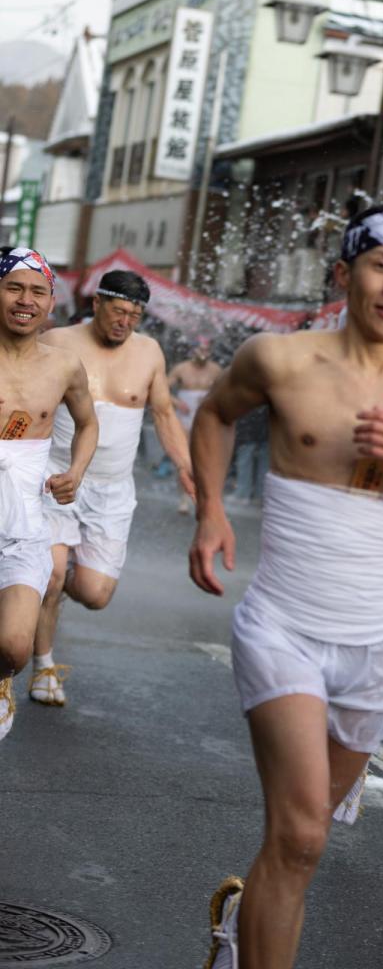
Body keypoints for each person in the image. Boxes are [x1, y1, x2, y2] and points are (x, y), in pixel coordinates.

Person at [189, 201, 383, 969]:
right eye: (379, 266)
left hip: (379, 649)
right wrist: (210, 510)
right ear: (345, 274)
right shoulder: (281, 360)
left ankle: (243, 919)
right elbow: (214, 415)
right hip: (283, 630)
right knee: (300, 833)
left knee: (300, 843)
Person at [29, 270, 194, 707]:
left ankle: (50, 577)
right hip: (55, 475)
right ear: (98, 303)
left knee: (96, 594)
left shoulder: (150, 353)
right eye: (119, 310)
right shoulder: (58, 341)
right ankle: (43, 666)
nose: (126, 321)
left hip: (112, 489)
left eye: (135, 315)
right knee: (49, 577)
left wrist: (185, 466)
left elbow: (162, 415)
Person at [0, 247, 97, 740]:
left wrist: (76, 472)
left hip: (21, 530)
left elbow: (87, 424)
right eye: (14, 287)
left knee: (14, 648)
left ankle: (3, 681)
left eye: (37, 291)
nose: (25, 300)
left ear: (50, 302)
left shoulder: (63, 366)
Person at [168, 337, 222, 512]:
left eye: (206, 350)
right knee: (185, 458)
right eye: (200, 350)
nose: (203, 354)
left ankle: (206, 498)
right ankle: (183, 497)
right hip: (185, 415)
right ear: (192, 351)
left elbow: (226, 393)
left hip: (205, 416)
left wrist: (210, 399)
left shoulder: (215, 370)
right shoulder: (181, 368)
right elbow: (162, 389)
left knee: (205, 459)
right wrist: (176, 402)